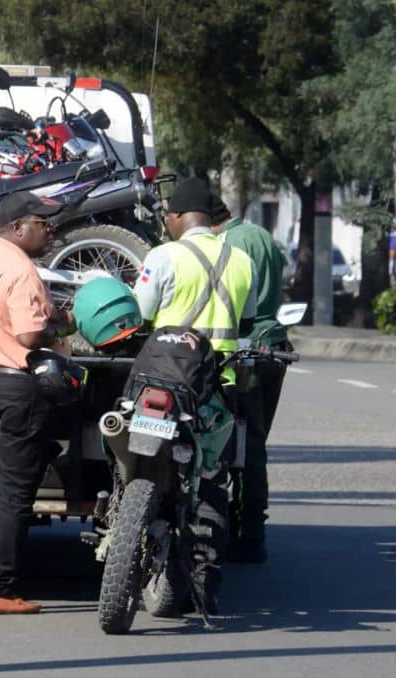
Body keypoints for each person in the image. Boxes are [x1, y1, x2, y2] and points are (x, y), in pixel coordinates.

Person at [133, 176, 256, 612]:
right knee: (211, 481)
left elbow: (139, 313)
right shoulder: (241, 260)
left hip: (163, 380)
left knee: (134, 451)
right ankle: (206, 585)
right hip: (216, 388)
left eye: (168, 215)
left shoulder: (162, 255)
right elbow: (246, 322)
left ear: (179, 217)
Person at [0, 191, 74, 615]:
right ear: (18, 227)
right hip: (17, 387)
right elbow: (28, 335)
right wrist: (61, 328)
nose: (50, 231)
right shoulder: (21, 269)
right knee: (14, 496)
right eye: (43, 224)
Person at [210, 194, 288, 563]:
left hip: (248, 349)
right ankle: (250, 528)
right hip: (275, 344)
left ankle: (249, 534)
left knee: (244, 444)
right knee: (256, 441)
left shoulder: (227, 245)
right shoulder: (262, 235)